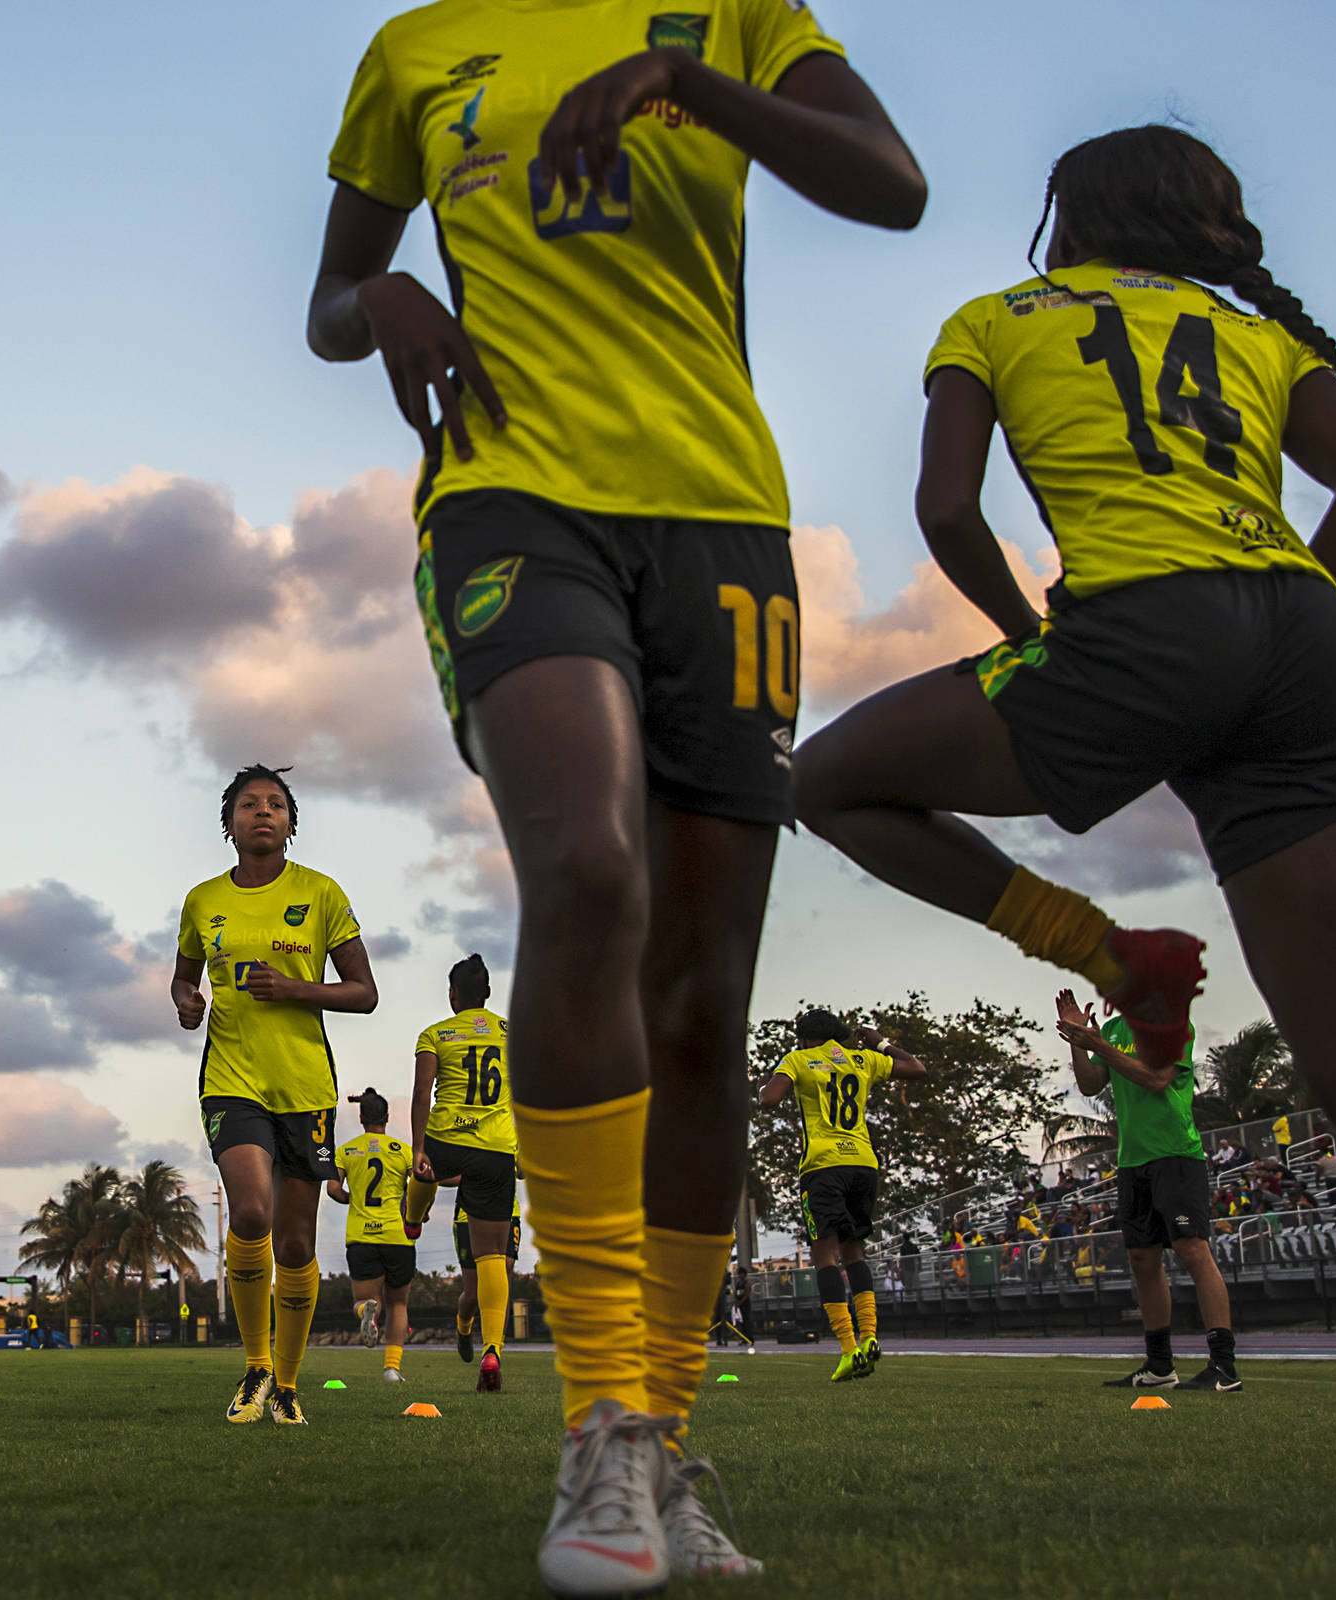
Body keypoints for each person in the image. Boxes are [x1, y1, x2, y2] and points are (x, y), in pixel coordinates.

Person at [788, 125, 1336, 1534]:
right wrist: (1277, 618)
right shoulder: (1250, 331)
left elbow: (945, 509)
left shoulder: (997, 318)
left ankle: (1106, 950)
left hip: (1141, 621)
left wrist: (1029, 640)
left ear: (1068, 218)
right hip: (1299, 635)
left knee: (825, 779)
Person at [308, 4, 925, 1590]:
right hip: (510, 495)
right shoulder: (414, 49)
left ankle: (665, 1433)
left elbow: (889, 182)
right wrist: (383, 296)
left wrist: (685, 81)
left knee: (705, 999)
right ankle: (596, 1429)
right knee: (585, 868)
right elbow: (322, 297)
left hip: (721, 514)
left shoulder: (734, 12)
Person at [173, 764, 378, 1426]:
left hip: (305, 1087)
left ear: (291, 824)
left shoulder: (320, 894)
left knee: (294, 1244)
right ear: (229, 823)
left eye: (276, 805)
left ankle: (286, 1384)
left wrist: (296, 989)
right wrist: (188, 1001)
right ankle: (255, 1368)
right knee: (251, 1213)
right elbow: (182, 978)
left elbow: (365, 993)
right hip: (231, 1081)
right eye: (249, 805)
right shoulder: (203, 901)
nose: (263, 812)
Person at [1056, 990, 1239, 1392]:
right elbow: (1090, 1086)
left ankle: (1223, 1368)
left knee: (1193, 1249)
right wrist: (1078, 1042)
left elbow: (1156, 1078)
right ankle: (1159, 1367)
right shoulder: (1115, 1029)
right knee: (1142, 1259)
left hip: (1175, 1153)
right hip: (1132, 1161)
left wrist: (1100, 1045)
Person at [758, 1011, 925, 1382]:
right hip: (863, 1163)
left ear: (803, 1038)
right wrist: (881, 1041)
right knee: (854, 1252)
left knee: (825, 1257)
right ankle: (870, 1337)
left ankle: (849, 1349)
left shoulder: (798, 1059)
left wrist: (763, 1085)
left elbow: (769, 1099)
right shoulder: (861, 1058)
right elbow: (917, 1068)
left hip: (823, 1166)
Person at [402, 953, 517, 1392]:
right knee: (491, 1257)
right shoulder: (511, 1035)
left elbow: (420, 1093)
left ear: (453, 995)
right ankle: (492, 1350)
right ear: (487, 993)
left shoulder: (435, 1034)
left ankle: (413, 1218)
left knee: (425, 1172)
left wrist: (417, 1148)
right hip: (494, 1150)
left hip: (447, 1138)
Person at [328, 1088, 417, 1382]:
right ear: (388, 1118)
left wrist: (350, 1199)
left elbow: (332, 1189)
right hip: (397, 1235)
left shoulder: (346, 1150)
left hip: (361, 1236)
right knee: (399, 1304)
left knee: (364, 1301)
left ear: (361, 1117)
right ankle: (392, 1368)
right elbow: (418, 1188)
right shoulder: (403, 1150)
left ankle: (366, 1311)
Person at [455, 1175, 526, 1363]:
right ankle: (463, 1328)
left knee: (506, 1268)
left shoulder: (514, 1143)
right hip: (467, 1215)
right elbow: (440, 1175)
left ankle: (494, 1349)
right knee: (472, 1293)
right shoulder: (465, 1145)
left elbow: (521, 1172)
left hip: (508, 1212)